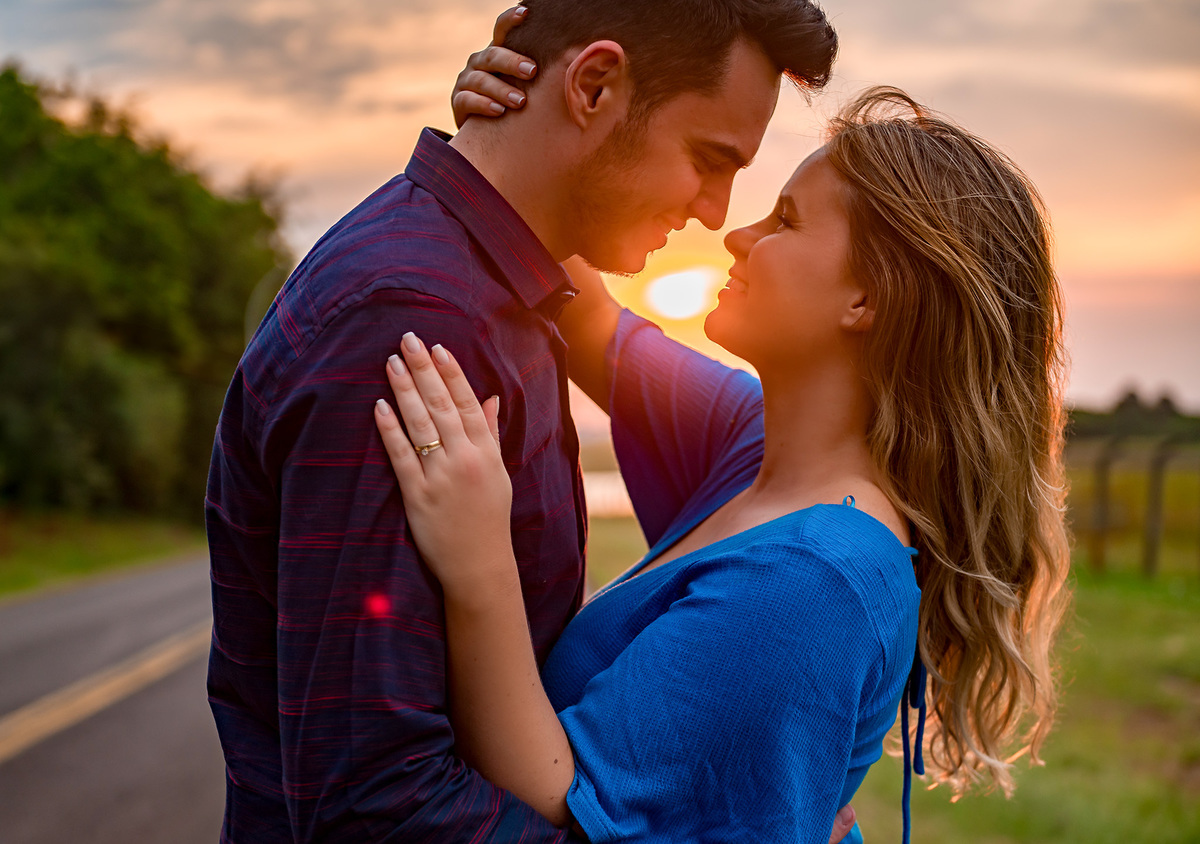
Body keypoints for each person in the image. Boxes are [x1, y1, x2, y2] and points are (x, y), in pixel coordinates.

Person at [204, 1, 839, 841]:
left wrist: (519, 110)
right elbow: (374, 806)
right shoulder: (412, 324)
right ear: (598, 84)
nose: (718, 215)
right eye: (708, 159)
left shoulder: (511, 294)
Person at [373, 84, 1073, 843]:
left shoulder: (814, 583)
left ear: (868, 297)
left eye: (785, 220)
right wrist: (523, 110)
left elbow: (564, 806)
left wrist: (479, 568)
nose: (738, 234)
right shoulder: (747, 439)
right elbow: (585, 309)